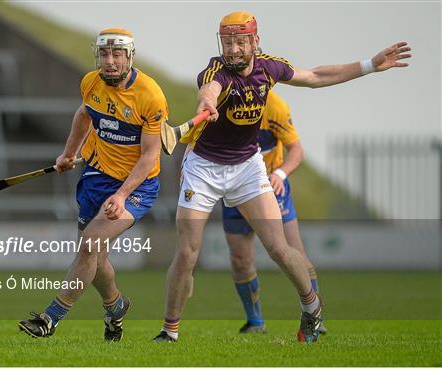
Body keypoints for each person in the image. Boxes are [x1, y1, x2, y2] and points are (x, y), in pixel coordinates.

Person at [152, 11, 410, 343]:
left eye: (240, 42)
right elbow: (208, 91)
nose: (232, 50)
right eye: (227, 42)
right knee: (187, 252)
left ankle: (312, 310)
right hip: (204, 167)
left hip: (247, 166)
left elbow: (315, 76)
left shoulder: (269, 67)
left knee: (279, 248)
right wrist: (208, 101)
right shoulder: (216, 71)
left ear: (255, 42)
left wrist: (369, 65)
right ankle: (169, 330)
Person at [19, 28, 168, 341]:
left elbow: (150, 156)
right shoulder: (90, 82)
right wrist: (69, 153)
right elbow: (84, 114)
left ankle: (51, 318)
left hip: (137, 186)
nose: (110, 62)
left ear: (130, 57)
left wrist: (123, 194)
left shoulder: (150, 96)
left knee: (89, 244)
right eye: (104, 54)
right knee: (95, 257)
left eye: (117, 55)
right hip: (97, 177)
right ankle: (116, 308)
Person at [221, 90, 326, 334]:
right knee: (239, 259)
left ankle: (315, 315)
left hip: (270, 187)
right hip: (234, 189)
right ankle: (255, 322)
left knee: (292, 252)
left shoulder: (275, 106)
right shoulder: (223, 99)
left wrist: (280, 174)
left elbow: (296, 150)